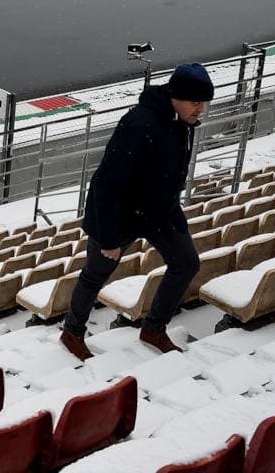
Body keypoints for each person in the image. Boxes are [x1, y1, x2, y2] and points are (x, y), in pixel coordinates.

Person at [59, 62, 212, 361]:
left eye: (204, 102)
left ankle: (153, 328)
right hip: (121, 215)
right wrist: (109, 238)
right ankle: (72, 331)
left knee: (186, 263)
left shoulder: (182, 120)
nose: (201, 109)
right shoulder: (138, 124)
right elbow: (105, 184)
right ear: (176, 96)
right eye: (196, 102)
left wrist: (172, 208)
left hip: (159, 212)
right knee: (95, 275)